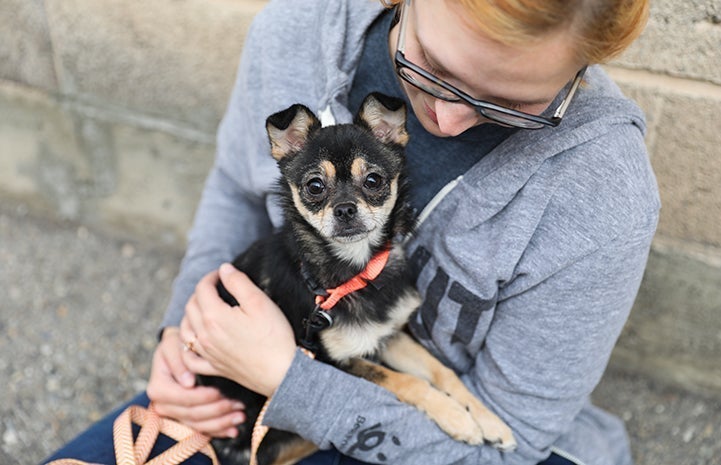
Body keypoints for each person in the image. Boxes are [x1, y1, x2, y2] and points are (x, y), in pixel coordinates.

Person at [45, 0, 659, 464]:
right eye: (429, 68)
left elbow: (513, 445)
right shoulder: (303, 24)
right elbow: (237, 186)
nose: (444, 120)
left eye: (509, 104)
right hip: (253, 370)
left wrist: (292, 382)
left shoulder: (604, 192)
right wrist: (188, 333)